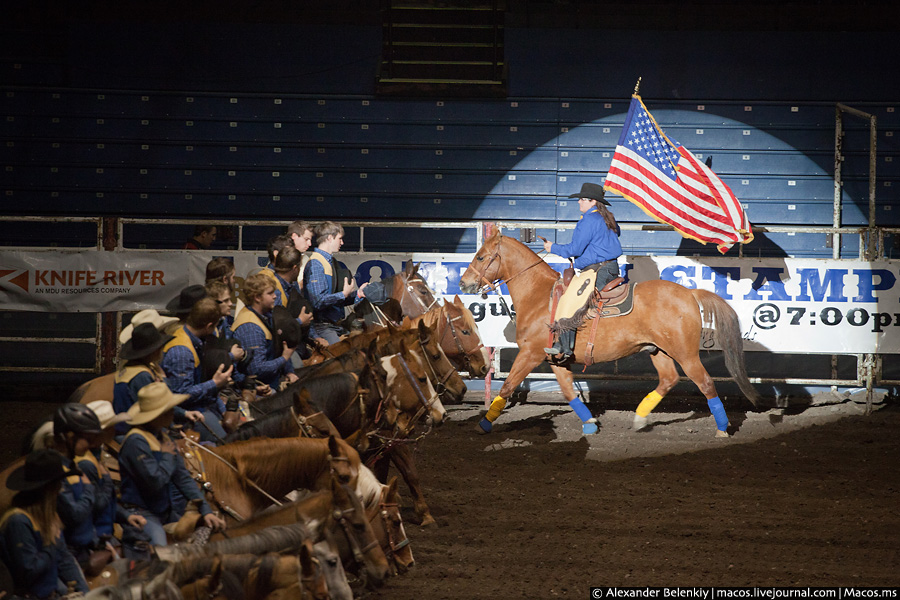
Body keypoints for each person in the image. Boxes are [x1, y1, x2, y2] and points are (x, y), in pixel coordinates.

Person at [118, 383, 226, 546]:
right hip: (142, 512)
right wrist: (168, 456)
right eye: (169, 410)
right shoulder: (136, 442)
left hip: (164, 511)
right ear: (157, 415)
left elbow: (183, 477)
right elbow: (155, 481)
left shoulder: (164, 437)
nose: (173, 413)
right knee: (162, 552)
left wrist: (205, 510)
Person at [542, 182, 622, 360]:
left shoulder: (589, 220)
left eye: (582, 199)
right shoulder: (607, 216)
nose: (579, 202)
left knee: (570, 300)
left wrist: (552, 247)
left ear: (592, 201)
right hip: (608, 267)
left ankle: (565, 347)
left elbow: (574, 249)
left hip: (598, 270)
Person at [0, 449, 89, 598]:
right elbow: (29, 570)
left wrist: (86, 594)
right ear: (48, 488)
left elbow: (64, 559)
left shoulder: (48, 515)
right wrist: (50, 545)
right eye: (58, 484)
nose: (60, 488)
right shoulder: (18, 521)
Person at [78, 401, 149, 560]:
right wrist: (108, 480)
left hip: (104, 531)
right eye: (111, 427)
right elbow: (95, 505)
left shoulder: (96, 454)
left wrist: (125, 516)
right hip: (97, 537)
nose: (115, 430)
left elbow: (106, 502)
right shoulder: (87, 464)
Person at [161, 297, 234, 443]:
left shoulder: (190, 338)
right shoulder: (183, 351)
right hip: (187, 413)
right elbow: (180, 394)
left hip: (203, 404)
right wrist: (214, 383)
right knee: (226, 444)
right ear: (208, 326)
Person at [115, 323, 204, 436]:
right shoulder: (142, 375)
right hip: (136, 431)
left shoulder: (128, 369)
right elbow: (156, 406)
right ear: (154, 351)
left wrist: (185, 413)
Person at [303, 221, 367, 344]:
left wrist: (358, 294)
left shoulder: (330, 262)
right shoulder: (316, 264)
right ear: (330, 238)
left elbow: (335, 300)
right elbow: (317, 301)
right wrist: (343, 294)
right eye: (340, 239)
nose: (342, 242)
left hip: (334, 326)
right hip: (322, 327)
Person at [233, 272, 298, 388]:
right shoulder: (251, 327)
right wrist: (284, 358)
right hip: (258, 388)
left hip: (273, 380)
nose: (275, 296)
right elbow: (256, 369)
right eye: (270, 293)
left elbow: (279, 347)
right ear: (257, 298)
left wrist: (289, 372)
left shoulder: (267, 315)